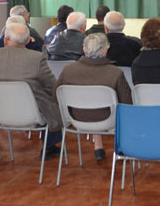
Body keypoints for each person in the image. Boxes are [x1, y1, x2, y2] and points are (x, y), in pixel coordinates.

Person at [0, 22, 63, 160]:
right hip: (32, 113)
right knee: (54, 101)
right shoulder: (36, 58)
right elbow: (52, 85)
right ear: (27, 41)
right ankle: (49, 146)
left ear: (5, 40)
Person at [53, 33, 132, 161]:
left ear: (84, 49)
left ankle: (98, 147)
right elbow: (127, 104)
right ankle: (123, 148)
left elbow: (56, 96)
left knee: (92, 104)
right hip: (108, 120)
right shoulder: (115, 73)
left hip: (77, 118)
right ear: (105, 51)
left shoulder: (68, 70)